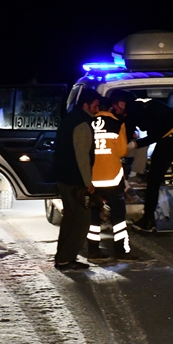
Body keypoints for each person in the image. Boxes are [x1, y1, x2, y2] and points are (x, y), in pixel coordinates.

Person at [109, 89, 173, 232]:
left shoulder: (135, 111)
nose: (115, 110)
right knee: (172, 149)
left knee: (154, 178)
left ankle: (147, 220)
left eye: (115, 107)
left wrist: (133, 144)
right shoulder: (138, 105)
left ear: (121, 103)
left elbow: (155, 136)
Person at [52, 88, 101, 270]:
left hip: (64, 177)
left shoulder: (70, 119)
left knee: (70, 219)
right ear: (86, 105)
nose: (98, 109)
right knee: (82, 221)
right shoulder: (82, 124)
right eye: (95, 106)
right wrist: (88, 182)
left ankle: (63, 258)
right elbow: (82, 157)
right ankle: (66, 258)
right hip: (75, 181)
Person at [86, 98, 139, 262]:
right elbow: (123, 151)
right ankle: (121, 251)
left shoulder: (88, 122)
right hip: (112, 178)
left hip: (93, 178)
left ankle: (93, 251)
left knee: (94, 216)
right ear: (110, 108)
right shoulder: (117, 123)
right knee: (118, 216)